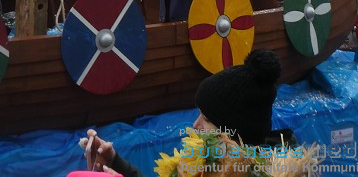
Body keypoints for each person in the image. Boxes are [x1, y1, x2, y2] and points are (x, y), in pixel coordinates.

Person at [80, 49, 287, 175]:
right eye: (199, 114)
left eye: (206, 119)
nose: (195, 125)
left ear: (234, 135)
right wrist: (114, 161)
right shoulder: (211, 166)